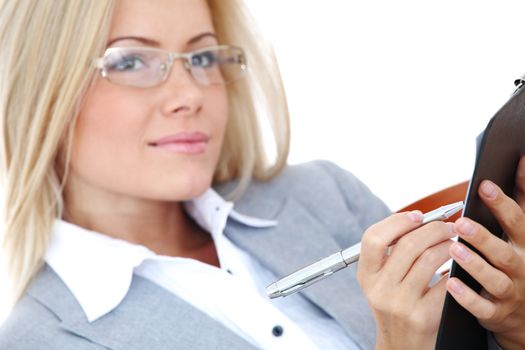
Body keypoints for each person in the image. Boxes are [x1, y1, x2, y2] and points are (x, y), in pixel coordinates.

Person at [0, 0, 523, 349]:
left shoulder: (322, 195)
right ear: (40, 84)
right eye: (132, 62)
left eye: (202, 55)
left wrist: (514, 326)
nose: (190, 95)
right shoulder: (42, 339)